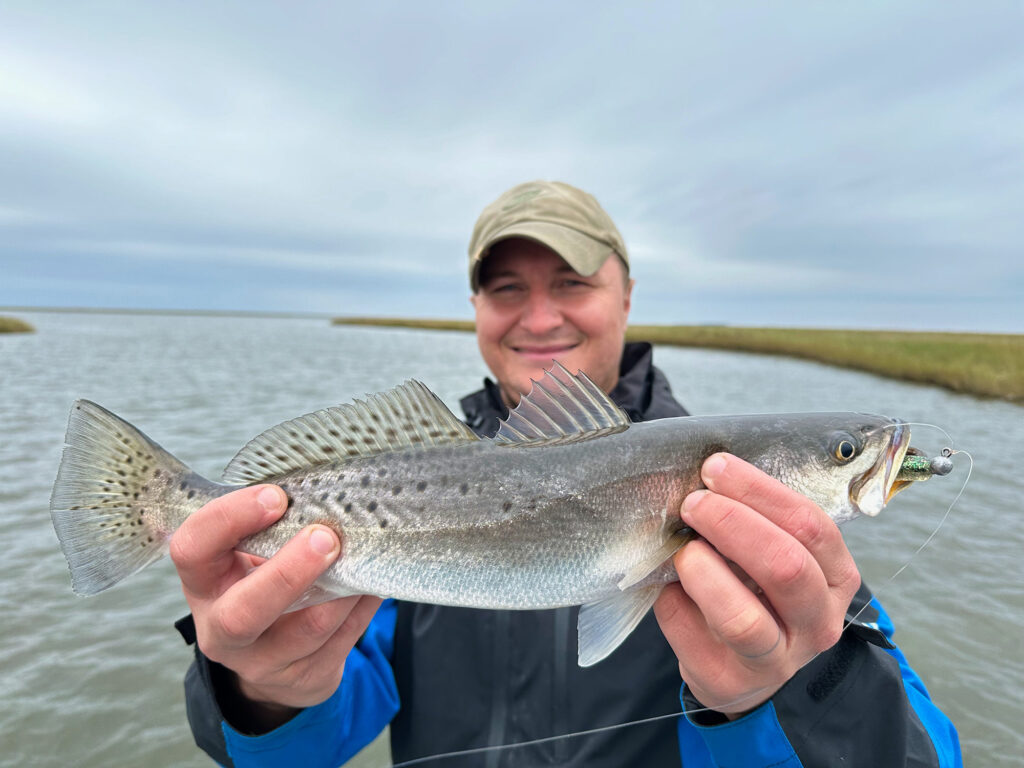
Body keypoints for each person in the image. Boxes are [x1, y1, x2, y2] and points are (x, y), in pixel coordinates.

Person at [172, 181, 963, 767]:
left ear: (626, 295)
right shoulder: (410, 474)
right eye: (506, 288)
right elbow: (293, 753)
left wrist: (807, 684)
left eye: (573, 284)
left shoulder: (771, 533)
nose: (541, 318)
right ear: (475, 307)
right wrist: (259, 690)